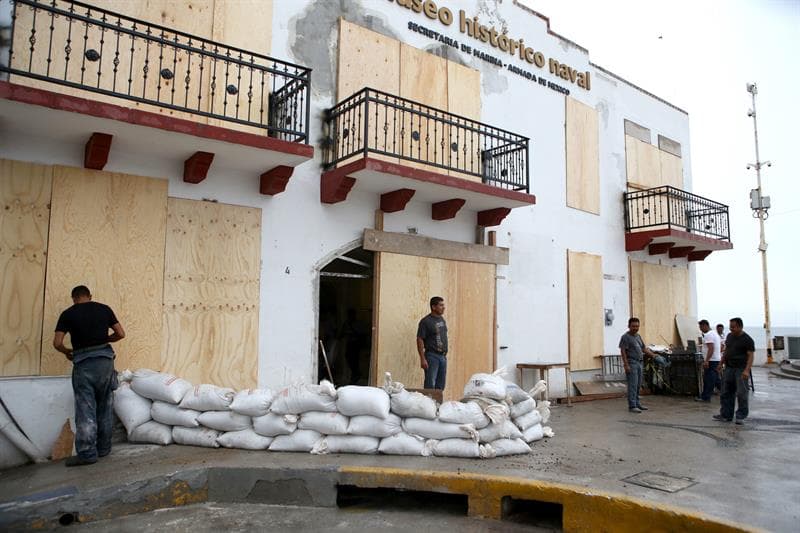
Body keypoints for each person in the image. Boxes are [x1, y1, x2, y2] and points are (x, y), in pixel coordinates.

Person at [53, 286, 125, 466]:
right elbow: (121, 334)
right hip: (105, 362)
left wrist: (67, 352)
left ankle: (86, 454)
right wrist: (105, 339)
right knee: (105, 404)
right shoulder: (104, 309)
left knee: (86, 410)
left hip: (84, 363)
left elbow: (57, 343)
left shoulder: (68, 314)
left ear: (73, 298)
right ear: (90, 296)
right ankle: (104, 448)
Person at [713, 317, 754, 425]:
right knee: (726, 392)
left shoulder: (747, 340)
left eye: (734, 327)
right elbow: (726, 351)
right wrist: (720, 363)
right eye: (730, 327)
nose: (731, 329)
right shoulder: (730, 336)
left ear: (740, 327)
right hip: (729, 368)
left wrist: (746, 370)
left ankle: (741, 416)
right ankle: (726, 415)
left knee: (741, 393)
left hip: (741, 369)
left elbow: (750, 356)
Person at [619, 317, 656, 413]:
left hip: (640, 363)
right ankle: (632, 406)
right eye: (633, 326)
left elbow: (643, 348)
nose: (635, 328)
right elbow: (623, 351)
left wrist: (653, 355)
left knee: (638, 385)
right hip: (632, 363)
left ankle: (637, 403)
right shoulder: (625, 337)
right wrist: (626, 365)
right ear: (629, 326)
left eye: (637, 326)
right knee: (632, 385)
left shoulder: (638, 336)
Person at [416, 296, 448, 390]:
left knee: (440, 385)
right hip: (432, 356)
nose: (443, 307)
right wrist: (422, 358)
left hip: (442, 357)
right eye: (441, 305)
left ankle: (438, 404)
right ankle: (428, 403)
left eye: (443, 305)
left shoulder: (441, 319)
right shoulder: (425, 321)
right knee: (430, 384)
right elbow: (419, 339)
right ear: (433, 307)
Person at [695, 319, 722, 402]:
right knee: (716, 379)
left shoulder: (708, 335)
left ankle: (705, 397)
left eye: (701, 327)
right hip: (716, 359)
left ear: (705, 326)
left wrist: (706, 360)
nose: (700, 329)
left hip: (711, 360)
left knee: (708, 379)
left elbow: (711, 348)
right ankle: (728, 391)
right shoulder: (715, 334)